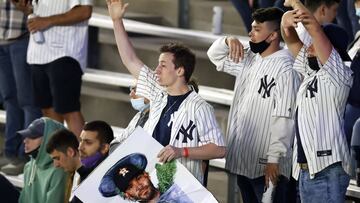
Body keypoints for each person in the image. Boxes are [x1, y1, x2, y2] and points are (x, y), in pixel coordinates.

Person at [106, 0, 226, 184]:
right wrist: (116, 21)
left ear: (180, 71)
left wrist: (182, 151)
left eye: (163, 65)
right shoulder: (158, 93)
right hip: (150, 180)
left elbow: (218, 148)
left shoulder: (199, 107)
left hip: (180, 187)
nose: (156, 70)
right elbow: (130, 59)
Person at [208, 7, 300, 203]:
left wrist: (274, 160)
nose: (250, 34)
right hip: (244, 158)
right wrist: (226, 40)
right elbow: (215, 55)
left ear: (273, 35)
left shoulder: (286, 67)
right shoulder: (250, 56)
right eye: (251, 28)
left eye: (257, 30)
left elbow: (284, 117)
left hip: (267, 165)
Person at [282, 0, 353, 202]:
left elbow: (314, 30)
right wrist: (285, 22)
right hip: (307, 170)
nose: (309, 47)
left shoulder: (338, 73)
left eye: (314, 44)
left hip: (327, 169)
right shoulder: (312, 70)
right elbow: (291, 39)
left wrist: (296, 3)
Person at [25, 0, 93, 137]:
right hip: (38, 53)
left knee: (69, 110)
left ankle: (84, 157)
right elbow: (38, 12)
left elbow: (84, 11)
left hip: (65, 53)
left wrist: (47, 20)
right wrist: (26, 8)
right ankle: (58, 156)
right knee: (48, 112)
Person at [0, 0, 41, 175]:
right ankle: (11, 153)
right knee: (10, 98)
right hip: (2, 38)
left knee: (28, 100)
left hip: (23, 37)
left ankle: (26, 155)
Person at [99, 153, 192, 202]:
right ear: (127, 194)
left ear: (146, 175)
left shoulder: (178, 190)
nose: (139, 186)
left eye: (139, 178)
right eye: (130, 187)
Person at [17, 117, 68, 203]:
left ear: (48, 139)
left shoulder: (59, 171)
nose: (25, 141)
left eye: (33, 137)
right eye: (26, 136)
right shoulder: (29, 166)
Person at [110, 81, 150, 152]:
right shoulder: (139, 115)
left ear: (150, 93)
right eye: (131, 90)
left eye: (135, 90)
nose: (131, 94)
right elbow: (116, 142)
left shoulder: (160, 118)